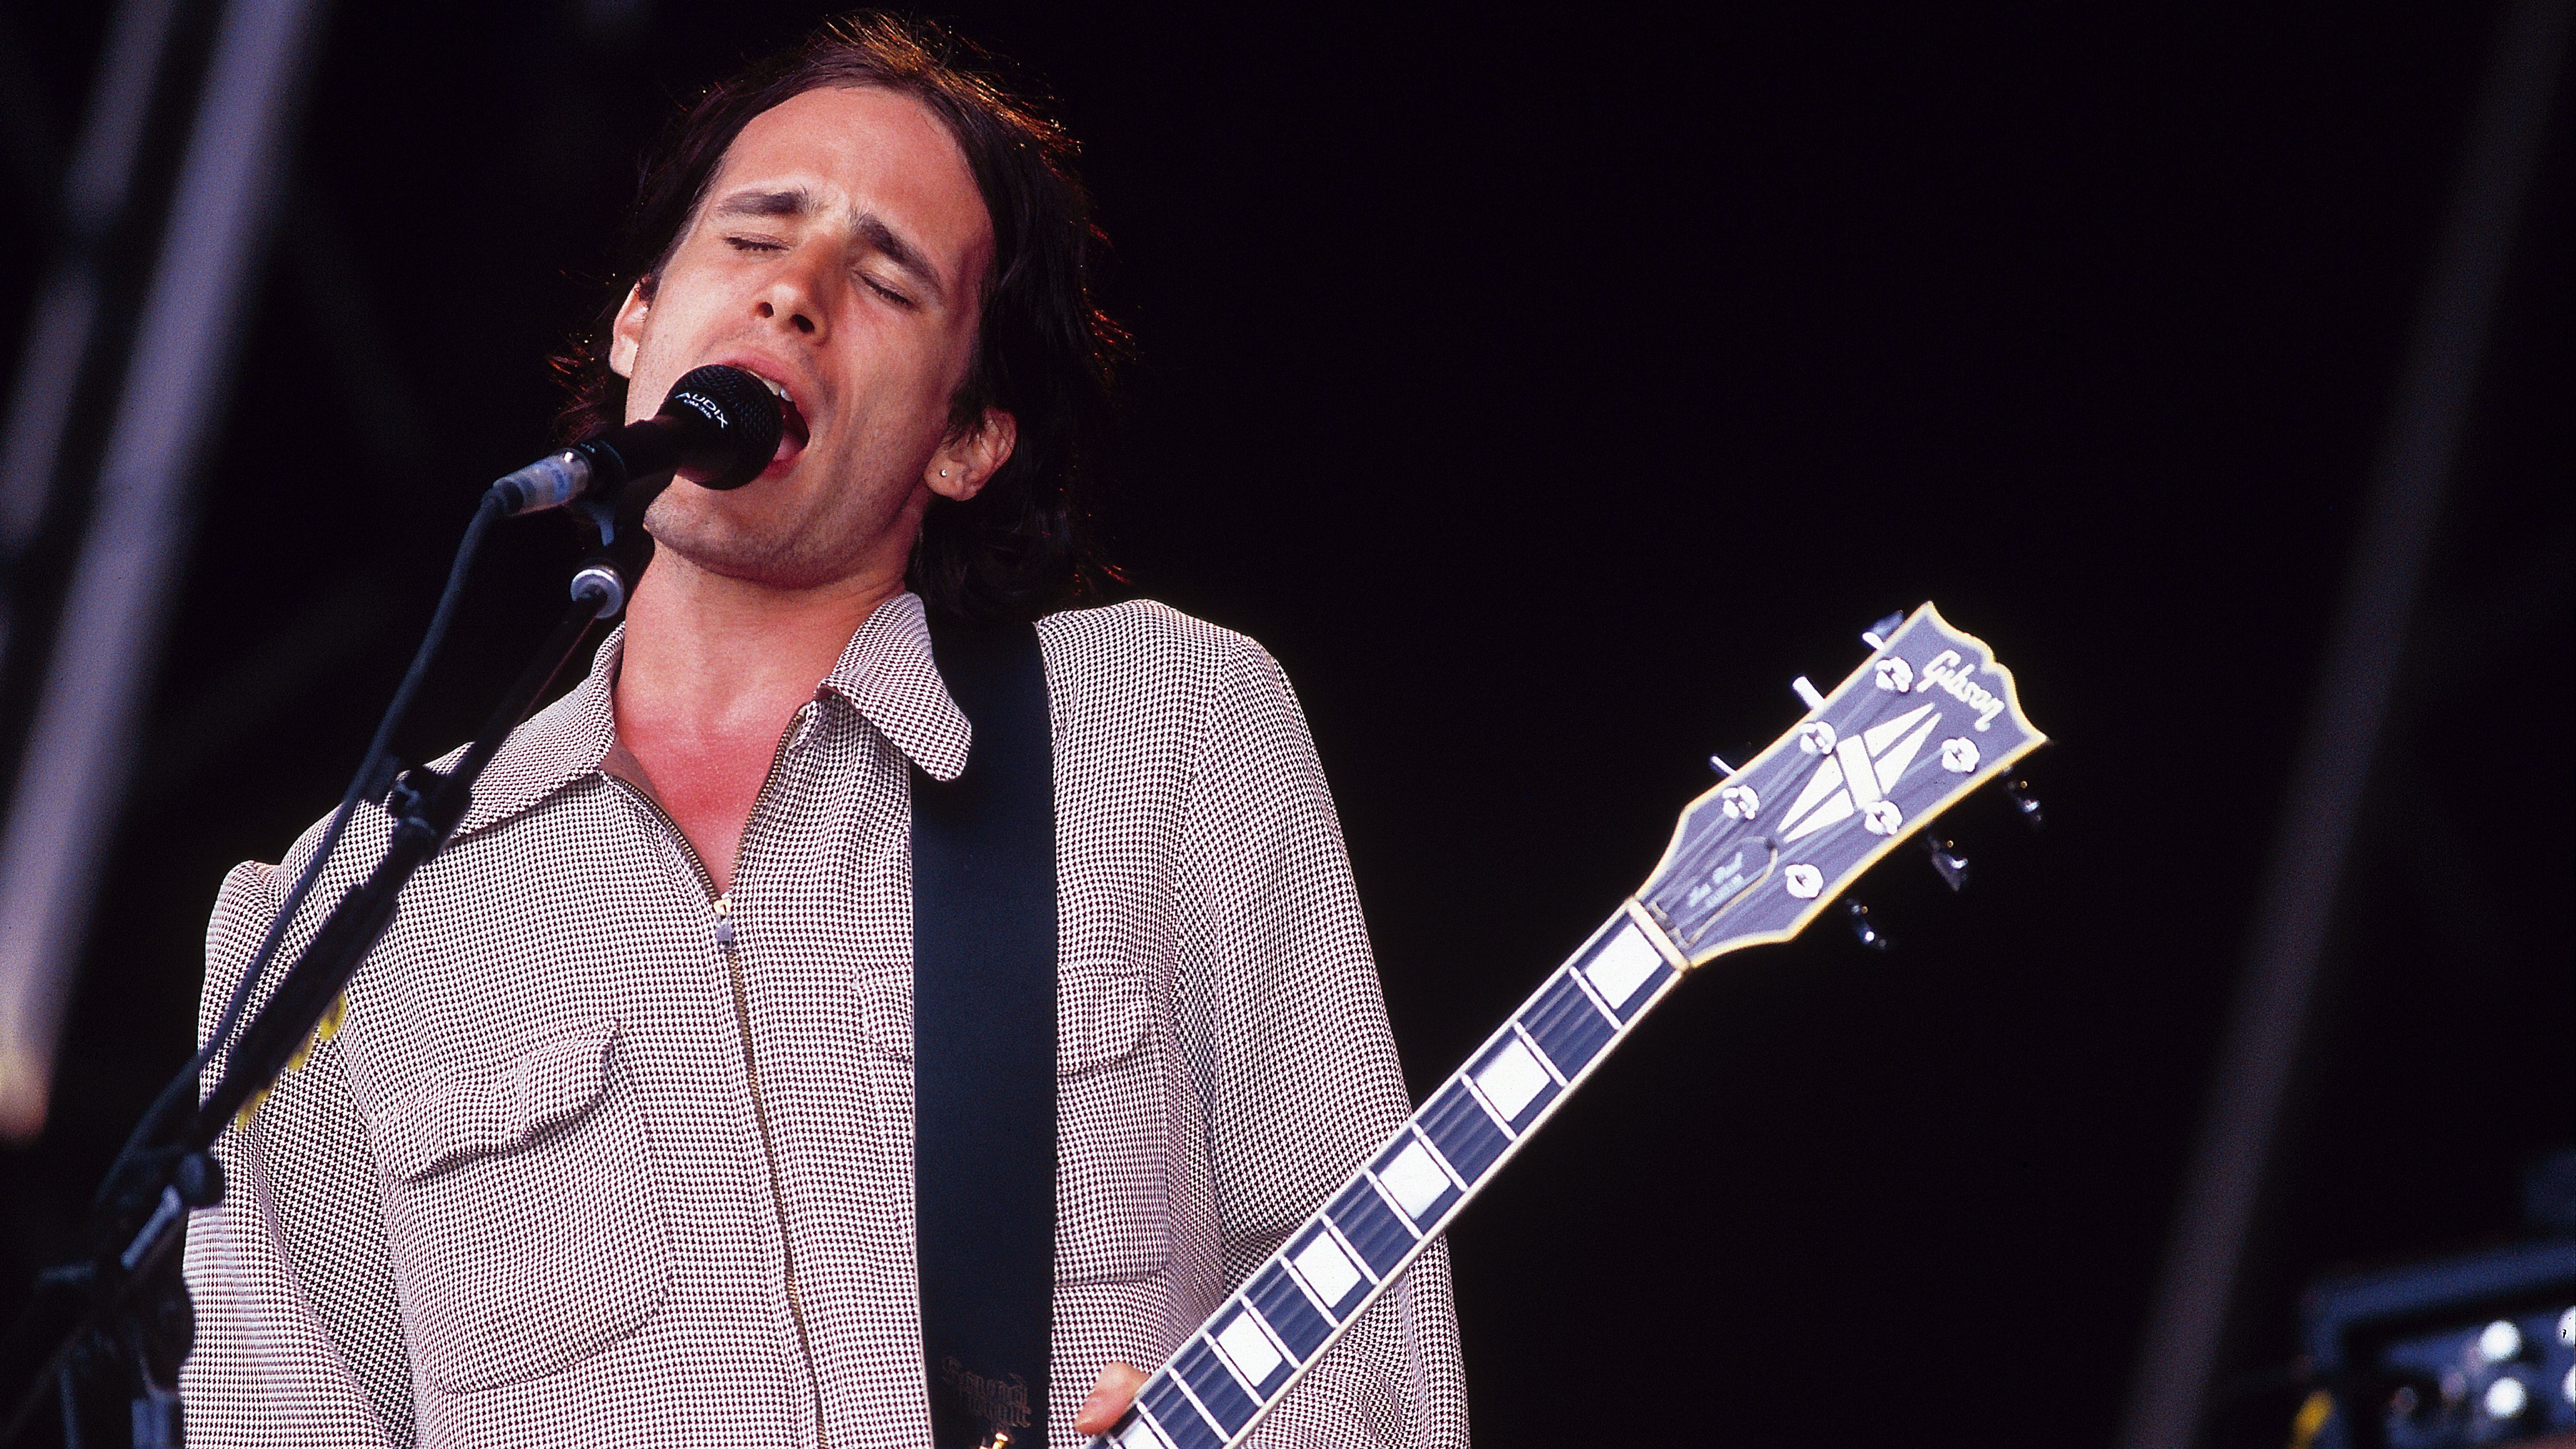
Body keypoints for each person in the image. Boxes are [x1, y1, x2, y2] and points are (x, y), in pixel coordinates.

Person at [179, 15, 1468, 1449]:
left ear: (967, 437)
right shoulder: (338, 922)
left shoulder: (1163, 728)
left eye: (886, 277)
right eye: (754, 238)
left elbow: (1370, 1326)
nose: (795, 294)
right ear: (637, 322)